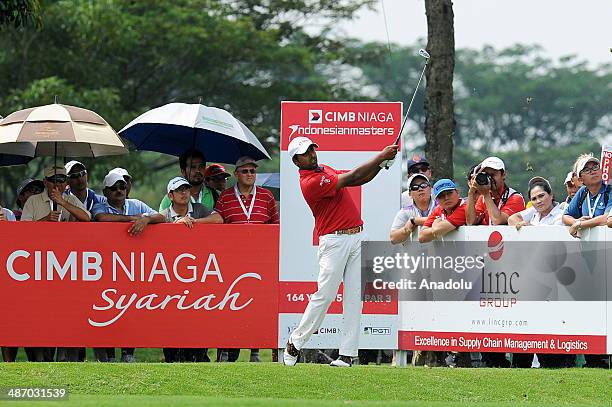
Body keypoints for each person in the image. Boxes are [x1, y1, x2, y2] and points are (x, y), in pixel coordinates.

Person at [283, 137, 398, 367]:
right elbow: (353, 177)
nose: (312, 154)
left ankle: (347, 354)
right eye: (306, 153)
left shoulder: (323, 169)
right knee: (324, 296)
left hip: (356, 237)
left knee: (355, 297)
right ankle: (295, 342)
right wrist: (380, 156)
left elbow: (360, 180)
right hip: (334, 242)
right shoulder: (310, 182)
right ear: (297, 161)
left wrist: (381, 164)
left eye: (312, 149)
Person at [210, 156, 279, 363]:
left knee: (257, 306)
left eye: (253, 171)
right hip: (233, 260)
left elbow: (276, 225)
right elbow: (219, 221)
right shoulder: (226, 197)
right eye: (246, 171)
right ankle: (225, 351)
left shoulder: (266, 197)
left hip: (261, 260)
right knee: (231, 306)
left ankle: (255, 352)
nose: (250, 175)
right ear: (236, 174)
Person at [92, 171, 165, 363]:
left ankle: (127, 353)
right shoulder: (100, 204)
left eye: (122, 187)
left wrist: (147, 219)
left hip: (131, 267)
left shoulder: (137, 204)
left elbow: (161, 217)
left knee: (129, 311)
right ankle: (107, 356)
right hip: (105, 266)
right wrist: (135, 219)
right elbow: (101, 218)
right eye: (114, 188)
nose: (119, 191)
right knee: (104, 310)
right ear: (106, 191)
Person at [20, 166, 90, 362]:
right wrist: (44, 221)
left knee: (68, 313)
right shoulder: (33, 201)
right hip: (38, 267)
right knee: (41, 314)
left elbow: (87, 218)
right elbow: (21, 234)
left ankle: (68, 358)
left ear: (66, 183)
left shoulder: (70, 199)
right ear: (45, 182)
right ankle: (41, 359)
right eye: (53, 179)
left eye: (61, 179)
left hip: (66, 266)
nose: (57, 183)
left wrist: (62, 202)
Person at [563, 154, 612, 238]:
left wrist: (579, 224)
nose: (593, 171)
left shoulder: (609, 190)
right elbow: (565, 216)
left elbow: (607, 218)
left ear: (601, 171)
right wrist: (575, 221)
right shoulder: (582, 192)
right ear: (580, 180)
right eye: (586, 170)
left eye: (595, 167)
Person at [466, 156, 525, 226]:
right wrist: (471, 193)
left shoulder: (515, 198)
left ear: (503, 175)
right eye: (486, 175)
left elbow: (497, 220)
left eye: (492, 175)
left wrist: (486, 194)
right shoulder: (483, 198)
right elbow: (470, 222)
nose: (489, 178)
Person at [390, 173, 435, 244]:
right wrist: (406, 229)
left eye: (423, 185)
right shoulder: (405, 212)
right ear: (410, 194)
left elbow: (448, 221)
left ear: (430, 188)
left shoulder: (441, 206)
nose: (420, 189)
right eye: (415, 187)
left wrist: (414, 221)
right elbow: (393, 238)